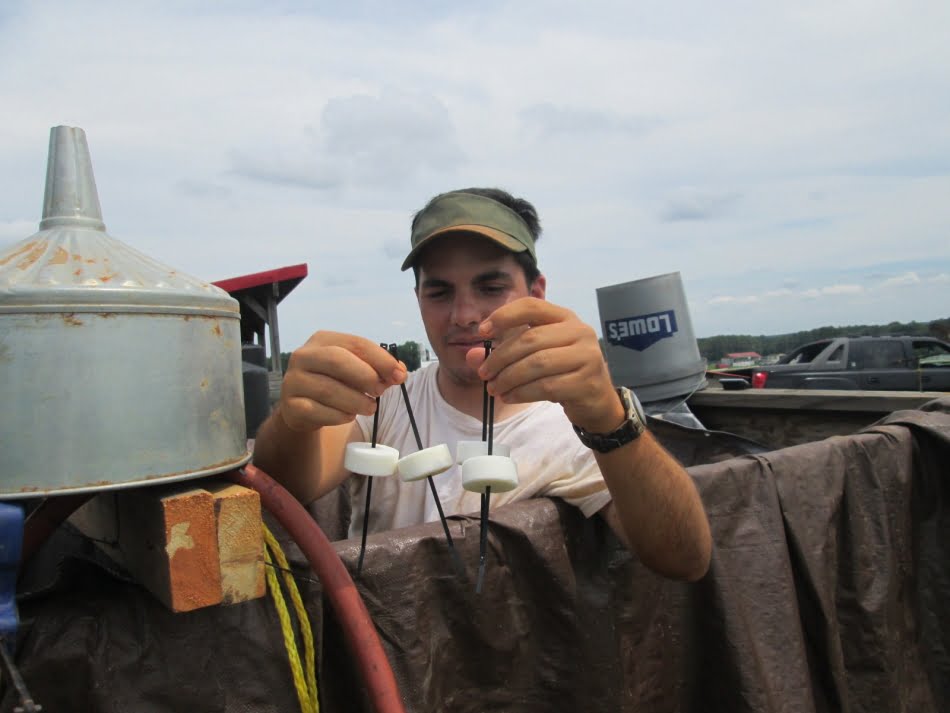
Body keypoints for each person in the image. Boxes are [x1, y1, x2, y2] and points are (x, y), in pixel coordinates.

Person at [253, 187, 711, 581]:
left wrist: (610, 420)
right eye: (440, 292)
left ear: (536, 293)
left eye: (490, 288)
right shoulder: (386, 400)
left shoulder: (576, 429)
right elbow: (285, 485)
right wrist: (294, 419)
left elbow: (686, 559)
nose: (465, 315)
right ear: (417, 298)